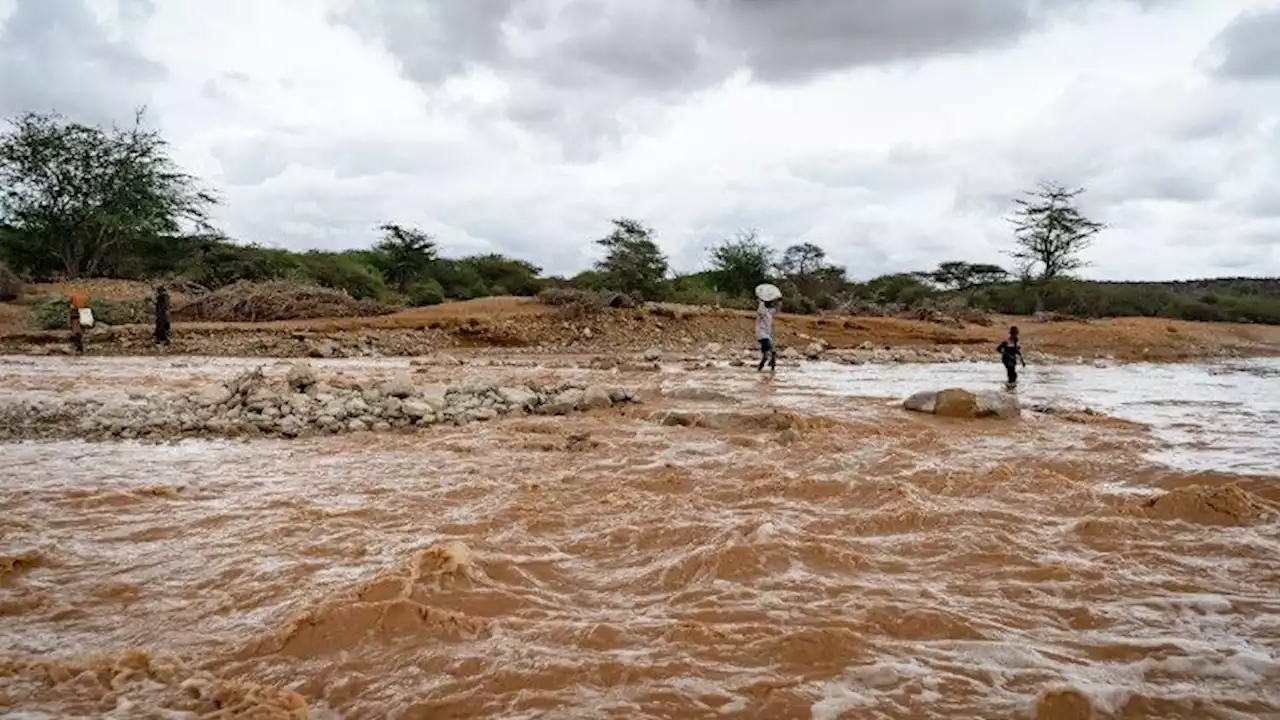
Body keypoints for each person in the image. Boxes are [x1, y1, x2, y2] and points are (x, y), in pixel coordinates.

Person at [756, 297, 778, 373]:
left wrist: (779, 302)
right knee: (772, 352)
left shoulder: (769, 312)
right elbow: (761, 307)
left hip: (767, 335)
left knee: (768, 355)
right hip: (762, 334)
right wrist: (761, 301)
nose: (771, 304)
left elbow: (776, 309)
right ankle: (769, 370)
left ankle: (769, 370)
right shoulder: (761, 310)